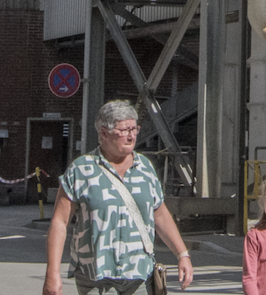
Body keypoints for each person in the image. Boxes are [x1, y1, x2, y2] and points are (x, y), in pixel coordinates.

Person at [45, 99, 195, 294]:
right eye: (124, 130)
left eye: (134, 129)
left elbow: (159, 214)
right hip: (96, 278)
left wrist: (182, 254)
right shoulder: (81, 170)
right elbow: (59, 222)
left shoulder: (145, 168)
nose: (131, 136)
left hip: (139, 276)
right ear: (104, 133)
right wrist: (52, 272)